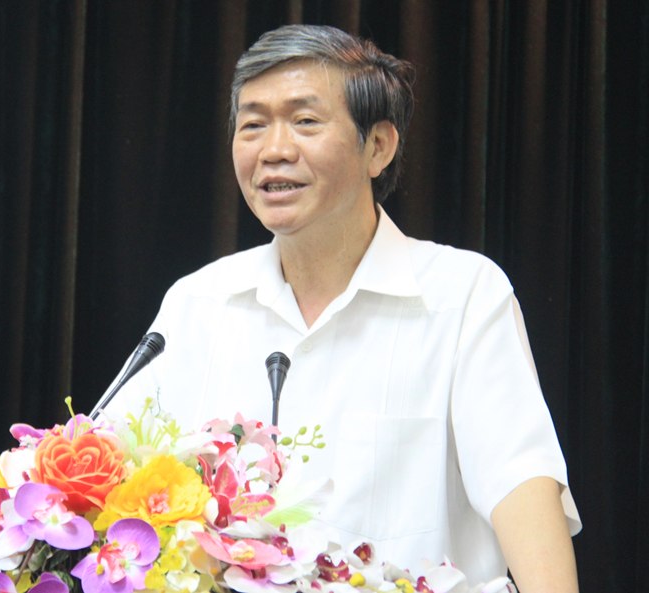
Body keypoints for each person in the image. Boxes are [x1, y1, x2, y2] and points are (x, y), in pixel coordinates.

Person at [100, 24, 581, 592]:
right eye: (253, 125)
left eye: (305, 121)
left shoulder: (461, 295)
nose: (274, 150)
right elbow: (108, 474)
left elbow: (521, 485)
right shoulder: (198, 303)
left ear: (378, 146)